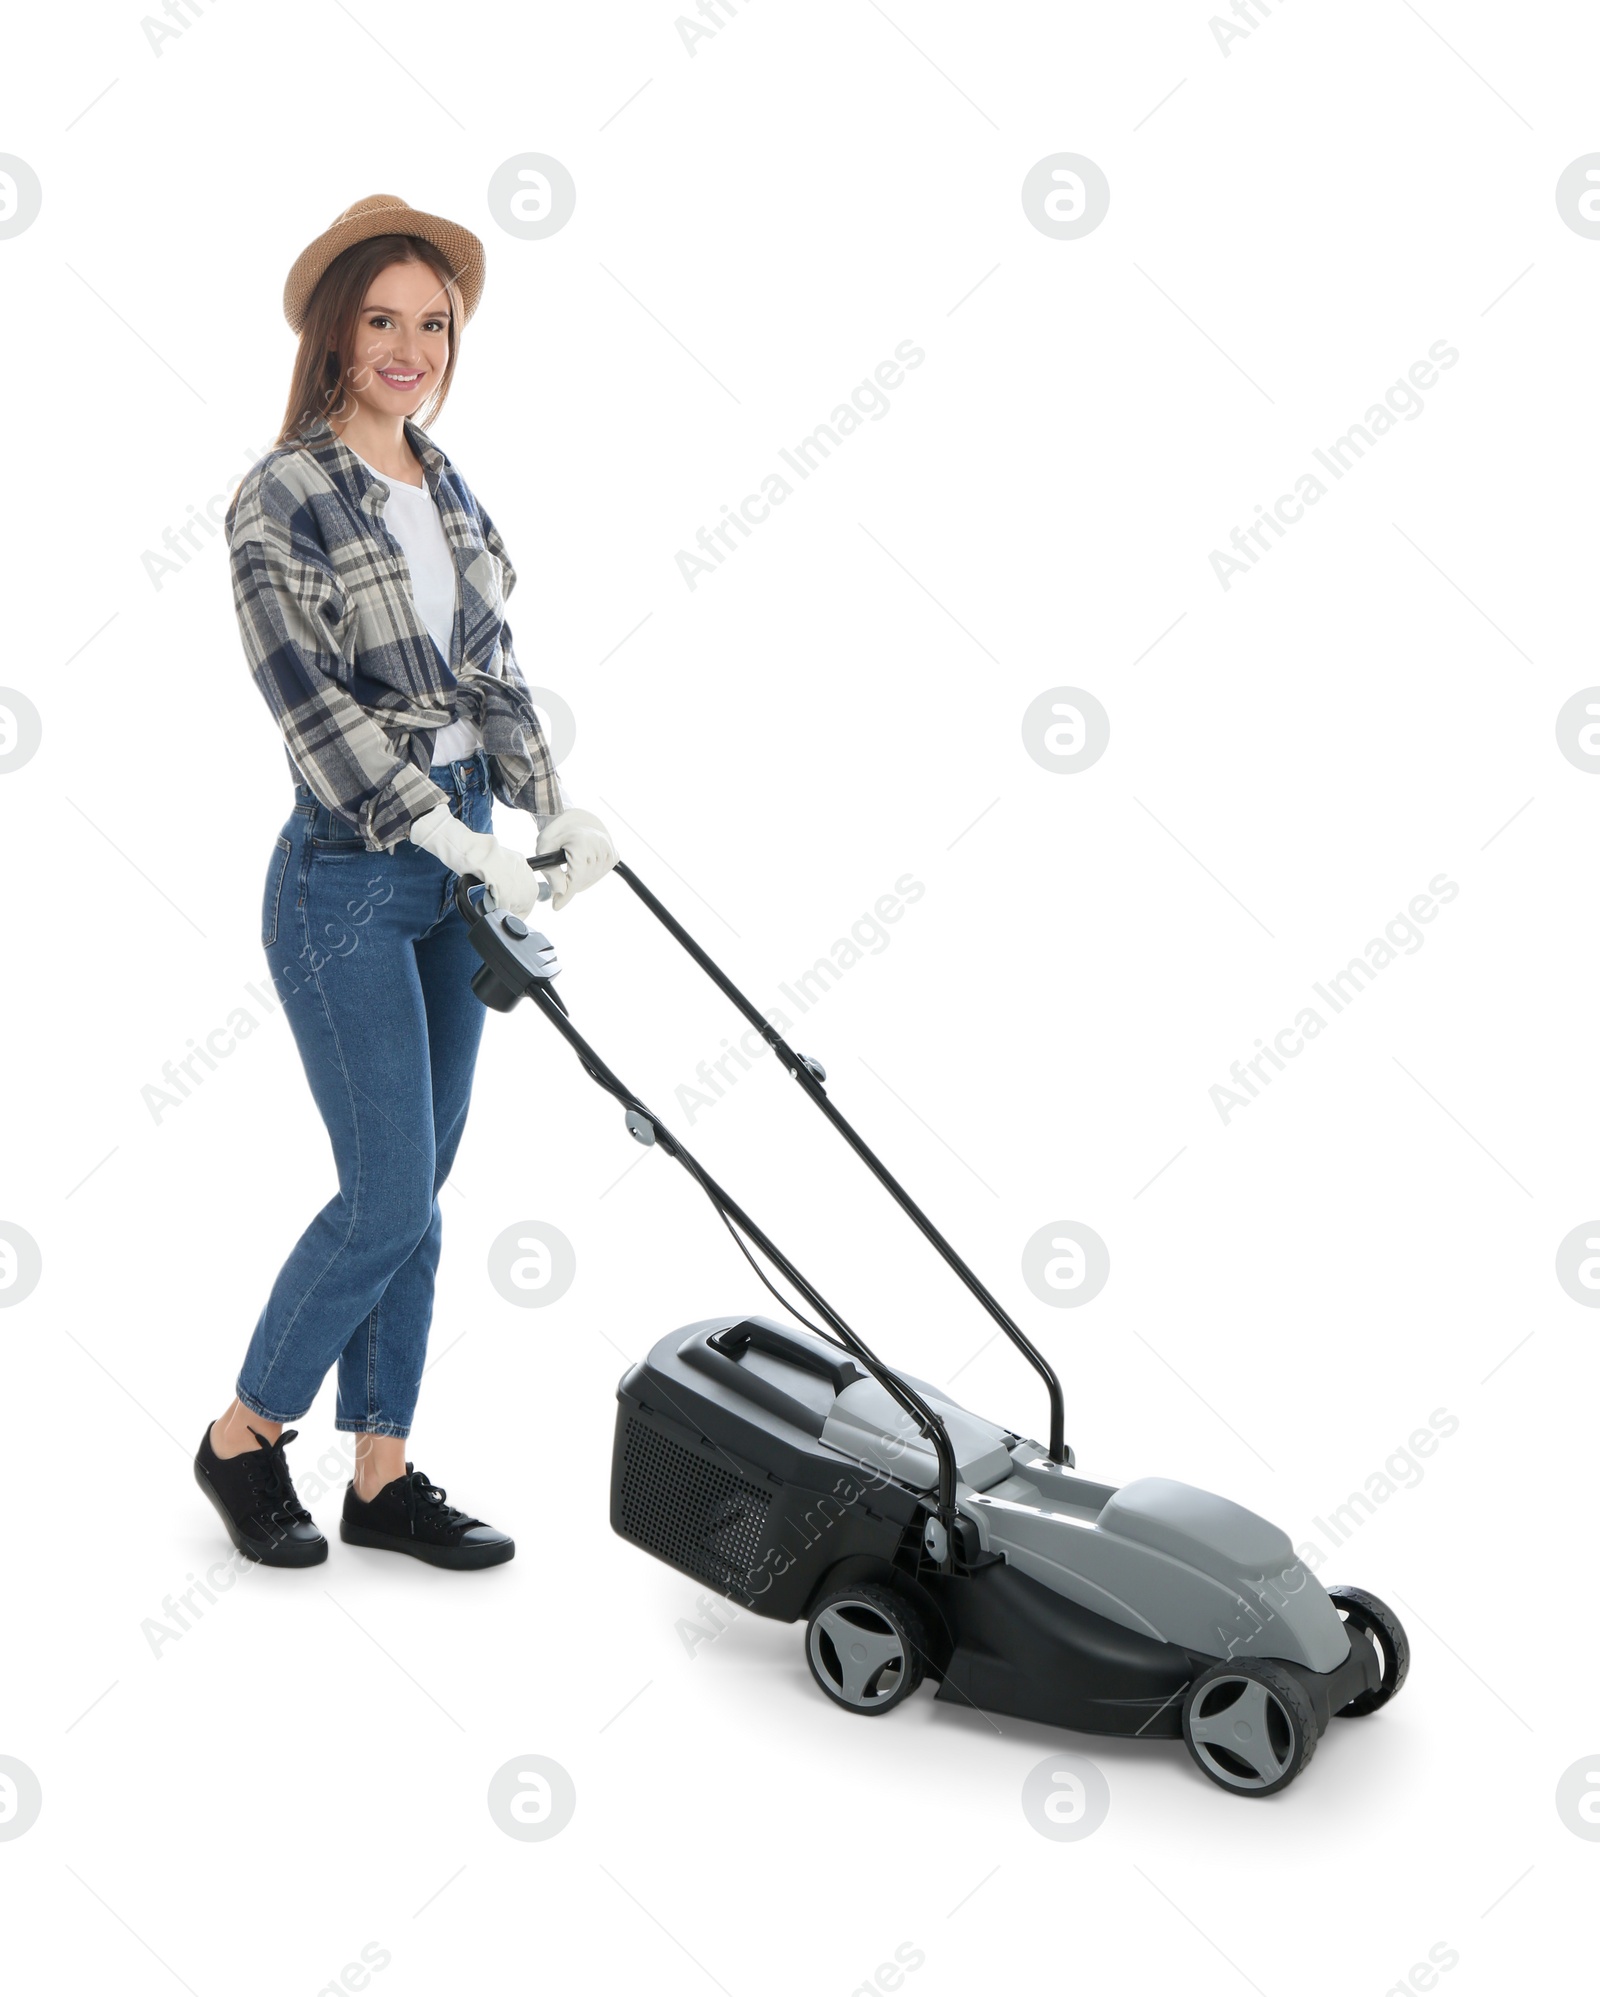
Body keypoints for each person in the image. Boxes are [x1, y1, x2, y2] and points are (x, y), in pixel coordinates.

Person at [193, 194, 616, 1571]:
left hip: (463, 866)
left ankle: (383, 1469)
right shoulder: (283, 495)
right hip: (349, 885)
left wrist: (549, 808)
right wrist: (444, 829)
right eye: (382, 319)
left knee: (422, 1185)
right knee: (384, 1193)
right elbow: (309, 706)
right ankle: (246, 1433)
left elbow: (489, 673)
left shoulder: (449, 488)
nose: (409, 345)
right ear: (333, 334)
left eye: (431, 323)